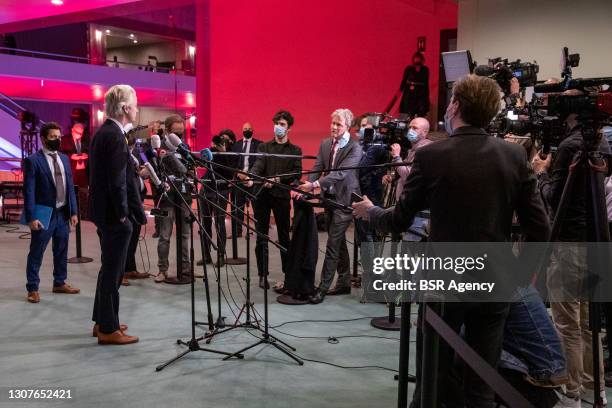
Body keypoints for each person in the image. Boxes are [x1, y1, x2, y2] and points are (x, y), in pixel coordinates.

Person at [353, 75, 550, 406]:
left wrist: (371, 211)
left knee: (435, 373)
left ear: (456, 106)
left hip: (443, 282)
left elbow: (399, 220)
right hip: (496, 281)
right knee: (482, 380)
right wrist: (519, 277)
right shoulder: (514, 156)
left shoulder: (432, 157)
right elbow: (540, 228)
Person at [532, 94, 609, 407]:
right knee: (589, 323)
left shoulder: (569, 147)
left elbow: (553, 196)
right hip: (596, 244)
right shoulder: (600, 145)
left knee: (567, 323)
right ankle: (595, 389)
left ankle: (571, 393)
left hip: (569, 244)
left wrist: (540, 172)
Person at [89, 84, 146, 345]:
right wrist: (124, 215)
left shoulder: (107, 132)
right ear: (125, 108)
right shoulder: (114, 135)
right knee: (113, 272)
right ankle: (108, 329)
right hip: (114, 217)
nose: (137, 109)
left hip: (107, 214)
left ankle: (104, 319)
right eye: (135, 105)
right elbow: (117, 181)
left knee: (108, 270)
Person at [300, 108, 363, 304]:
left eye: (339, 124)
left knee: (332, 244)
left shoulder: (355, 149)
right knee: (339, 242)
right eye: (333, 123)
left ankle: (323, 288)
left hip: (345, 201)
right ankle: (344, 282)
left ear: (348, 128)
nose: (334, 127)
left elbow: (341, 173)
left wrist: (315, 184)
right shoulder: (326, 143)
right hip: (329, 198)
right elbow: (318, 166)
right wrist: (308, 186)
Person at [23, 122, 80, 303]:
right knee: (37, 251)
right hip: (44, 214)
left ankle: (59, 282)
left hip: (63, 213)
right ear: (43, 139)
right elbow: (29, 191)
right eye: (52, 137)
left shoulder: (64, 159)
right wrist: (31, 217)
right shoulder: (33, 161)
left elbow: (70, 186)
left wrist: (74, 211)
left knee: (61, 249)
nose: (57, 140)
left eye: (58, 137)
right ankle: (32, 287)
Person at [250, 110, 302, 289]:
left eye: (282, 125)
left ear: (289, 128)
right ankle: (262, 275)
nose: (278, 127)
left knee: (284, 238)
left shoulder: (295, 150)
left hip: (281, 198)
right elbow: (258, 165)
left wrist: (278, 180)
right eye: (277, 124)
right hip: (262, 198)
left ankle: (288, 275)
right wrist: (252, 177)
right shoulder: (264, 147)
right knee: (261, 237)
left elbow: (297, 173)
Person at [154, 115, 192, 284]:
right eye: (176, 132)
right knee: (165, 236)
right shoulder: (158, 148)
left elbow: (189, 170)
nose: (179, 136)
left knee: (185, 235)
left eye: (182, 132)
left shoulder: (185, 147)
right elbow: (161, 170)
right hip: (167, 199)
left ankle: (186, 269)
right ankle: (162, 270)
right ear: (168, 131)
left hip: (184, 197)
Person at [199, 133, 234, 266]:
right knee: (205, 223)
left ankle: (220, 255)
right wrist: (211, 150)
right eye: (219, 141)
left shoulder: (230, 155)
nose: (220, 143)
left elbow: (230, 173)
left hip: (221, 191)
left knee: (220, 224)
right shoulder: (210, 152)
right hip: (206, 190)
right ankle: (206, 255)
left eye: (223, 141)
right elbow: (203, 163)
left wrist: (223, 152)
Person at [122, 136, 151, 285]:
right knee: (124, 239)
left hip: (137, 201)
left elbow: (139, 172)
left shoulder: (136, 156)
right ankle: (120, 273)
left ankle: (130, 268)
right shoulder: (121, 157)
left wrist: (144, 172)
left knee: (134, 237)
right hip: (127, 203)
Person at [230, 122, 262, 238]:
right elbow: (232, 162)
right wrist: (238, 173)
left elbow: (260, 162)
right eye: (245, 129)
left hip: (253, 180)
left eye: (249, 128)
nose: (247, 130)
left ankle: (260, 231)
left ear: (252, 130)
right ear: (242, 130)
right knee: (238, 207)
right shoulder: (237, 145)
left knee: (257, 206)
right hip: (239, 180)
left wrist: (249, 175)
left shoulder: (259, 145)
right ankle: (237, 231)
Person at [398, 51, 430, 118]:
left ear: (421, 59)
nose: (417, 60)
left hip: (421, 92)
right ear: (413, 59)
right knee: (409, 110)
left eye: (419, 58)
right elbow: (404, 80)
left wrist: (427, 95)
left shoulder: (425, 69)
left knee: (421, 110)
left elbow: (426, 83)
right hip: (410, 92)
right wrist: (400, 90)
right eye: (416, 58)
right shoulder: (409, 69)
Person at [60, 122, 89, 188]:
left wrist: (87, 155)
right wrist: (71, 156)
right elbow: (59, 154)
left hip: (84, 171)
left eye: (81, 133)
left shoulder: (86, 139)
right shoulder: (64, 140)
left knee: (83, 191)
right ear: (72, 130)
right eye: (77, 132)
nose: (79, 135)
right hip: (71, 170)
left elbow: (91, 150)